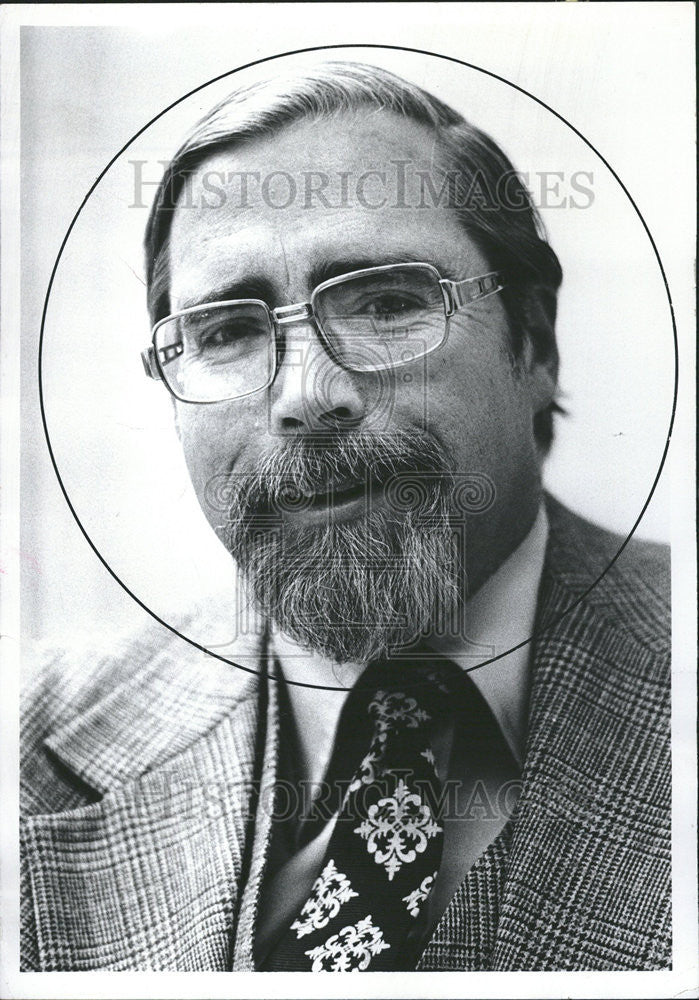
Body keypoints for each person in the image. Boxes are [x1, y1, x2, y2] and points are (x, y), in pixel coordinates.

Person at [20, 62, 670, 973]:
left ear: (535, 345)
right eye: (227, 332)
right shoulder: (26, 741)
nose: (305, 395)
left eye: (387, 303)